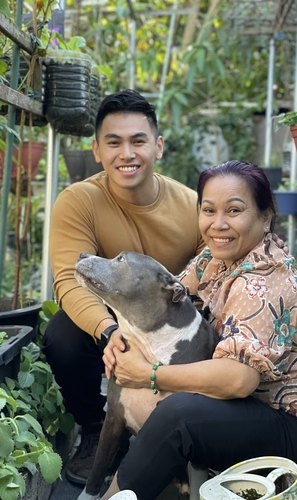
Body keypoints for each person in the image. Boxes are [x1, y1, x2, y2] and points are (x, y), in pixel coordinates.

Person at [102, 160, 297, 500]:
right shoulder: (212, 261)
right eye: (208, 210)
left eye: (234, 210)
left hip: (292, 425)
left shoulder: (265, 282)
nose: (218, 224)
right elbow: (161, 306)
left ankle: (115, 494)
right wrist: (118, 338)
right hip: (248, 410)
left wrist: (150, 374)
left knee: (178, 415)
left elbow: (239, 380)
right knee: (168, 395)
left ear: (265, 216)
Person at [43, 89, 205, 485]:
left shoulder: (192, 206)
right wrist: (109, 331)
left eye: (138, 141)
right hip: (111, 326)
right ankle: (98, 426)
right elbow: (67, 279)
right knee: (61, 334)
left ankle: (190, 437)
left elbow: (213, 277)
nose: (126, 154)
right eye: (113, 143)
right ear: (96, 150)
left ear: (159, 146)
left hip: (174, 335)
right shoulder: (79, 200)